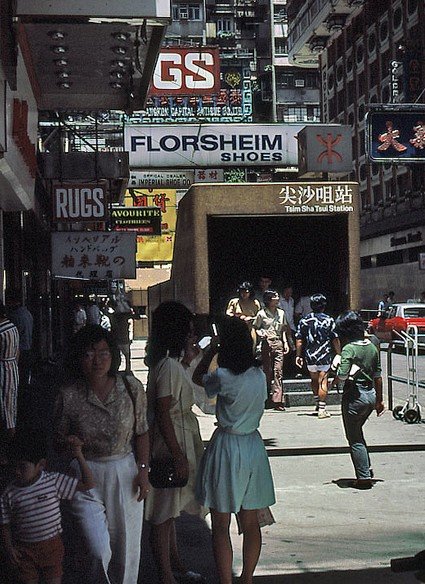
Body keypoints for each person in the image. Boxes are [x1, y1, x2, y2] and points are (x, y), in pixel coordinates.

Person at [53, 325, 149, 584]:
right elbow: (58, 441)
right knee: (96, 549)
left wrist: (143, 471)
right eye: (89, 353)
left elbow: (142, 431)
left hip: (125, 471)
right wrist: (70, 443)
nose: (97, 360)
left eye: (103, 352)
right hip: (85, 476)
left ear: (113, 355)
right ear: (78, 358)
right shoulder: (68, 394)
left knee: (126, 548)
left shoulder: (130, 387)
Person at [192, 316, 275, 584]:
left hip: (227, 447)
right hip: (253, 445)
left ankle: (226, 580)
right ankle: (247, 578)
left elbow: (198, 378)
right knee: (251, 522)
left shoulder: (223, 377)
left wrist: (211, 350)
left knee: (221, 524)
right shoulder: (258, 376)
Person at [144, 301, 206, 584]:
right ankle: (166, 575)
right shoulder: (167, 365)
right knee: (164, 512)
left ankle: (175, 565)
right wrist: (178, 454)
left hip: (176, 435)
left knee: (169, 511)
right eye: (189, 331)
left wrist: (190, 358)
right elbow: (163, 411)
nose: (192, 336)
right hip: (171, 440)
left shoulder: (168, 363)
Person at [0, 431, 95, 584]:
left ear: (41, 465)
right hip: (25, 551)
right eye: (13, 466)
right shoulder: (8, 494)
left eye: (22, 467)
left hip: (52, 547)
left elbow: (88, 484)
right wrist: (9, 548)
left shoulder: (53, 481)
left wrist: (79, 456)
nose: (16, 471)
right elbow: (4, 524)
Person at [334, 311, 385, 489]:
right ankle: (366, 466)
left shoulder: (349, 349)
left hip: (354, 396)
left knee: (354, 437)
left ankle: (363, 477)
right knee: (358, 433)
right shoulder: (371, 346)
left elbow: (342, 376)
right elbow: (378, 375)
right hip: (370, 395)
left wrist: (338, 367)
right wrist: (380, 401)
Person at [295, 294, 340, 419]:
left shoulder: (304, 320)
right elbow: (334, 338)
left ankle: (316, 403)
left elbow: (299, 339)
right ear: (324, 306)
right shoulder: (329, 320)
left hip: (310, 355)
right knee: (323, 381)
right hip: (324, 355)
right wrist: (339, 353)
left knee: (314, 380)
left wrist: (298, 355)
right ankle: (322, 408)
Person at [253, 290, 290, 411]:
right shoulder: (261, 314)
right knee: (267, 372)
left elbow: (283, 329)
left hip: (278, 341)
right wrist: (260, 333)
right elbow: (256, 327)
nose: (277, 298)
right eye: (274, 297)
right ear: (269, 300)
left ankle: (278, 400)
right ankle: (265, 398)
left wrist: (285, 342)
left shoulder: (281, 313)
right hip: (266, 343)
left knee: (278, 371)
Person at [0, 300, 19, 464]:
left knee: (5, 413)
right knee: (11, 409)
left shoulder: (1, 331)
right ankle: (12, 450)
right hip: (12, 368)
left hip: (3, 371)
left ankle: (7, 453)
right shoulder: (12, 327)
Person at [6, 290, 33, 390]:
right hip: (28, 348)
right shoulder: (27, 313)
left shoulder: (15, 316)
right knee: (24, 379)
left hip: (19, 351)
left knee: (18, 379)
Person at [226, 281, 261, 348]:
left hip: (250, 329)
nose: (244, 294)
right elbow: (228, 313)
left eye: (246, 292)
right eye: (242, 292)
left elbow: (259, 317)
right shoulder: (234, 302)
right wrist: (237, 317)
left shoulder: (255, 303)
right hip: (236, 330)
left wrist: (250, 318)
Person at [279, 285, 297, 377]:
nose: (289, 294)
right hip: (284, 329)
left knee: (294, 350)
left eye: (290, 292)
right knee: (286, 350)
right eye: (287, 292)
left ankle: (293, 371)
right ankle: (285, 372)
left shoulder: (292, 300)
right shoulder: (279, 301)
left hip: (293, 328)